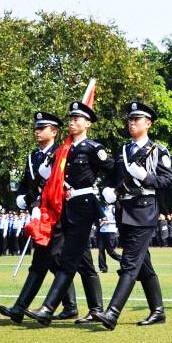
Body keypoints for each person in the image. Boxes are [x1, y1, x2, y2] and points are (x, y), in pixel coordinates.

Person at [25, 103, 114, 326]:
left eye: (78, 119)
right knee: (83, 262)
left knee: (68, 260)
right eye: (71, 118)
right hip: (67, 206)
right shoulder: (64, 150)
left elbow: (114, 169)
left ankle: (48, 309)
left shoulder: (93, 148)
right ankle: (95, 309)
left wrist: (106, 190)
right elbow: (48, 176)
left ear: (87, 124)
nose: (73, 122)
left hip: (84, 205)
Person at [93, 102, 172, 331]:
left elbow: (168, 181)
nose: (131, 123)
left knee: (129, 263)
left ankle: (112, 313)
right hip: (124, 213)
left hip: (145, 212)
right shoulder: (122, 151)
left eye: (136, 120)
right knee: (143, 265)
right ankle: (158, 311)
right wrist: (107, 190)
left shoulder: (158, 150)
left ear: (148, 124)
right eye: (130, 119)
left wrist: (147, 177)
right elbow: (112, 178)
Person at [0, 111, 81, 324]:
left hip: (57, 214)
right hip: (40, 214)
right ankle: (68, 306)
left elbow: (64, 184)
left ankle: (21, 308)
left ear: (53, 131)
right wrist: (24, 199)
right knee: (49, 261)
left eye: (42, 128)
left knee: (44, 261)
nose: (37, 131)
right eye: (36, 128)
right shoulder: (33, 156)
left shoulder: (63, 153)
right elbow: (28, 185)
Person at [97, 202, 122, 273]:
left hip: (111, 231)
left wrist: (108, 222)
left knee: (110, 251)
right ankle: (103, 268)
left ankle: (123, 259)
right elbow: (100, 219)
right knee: (101, 250)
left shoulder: (113, 208)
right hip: (102, 231)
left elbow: (118, 220)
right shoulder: (102, 208)